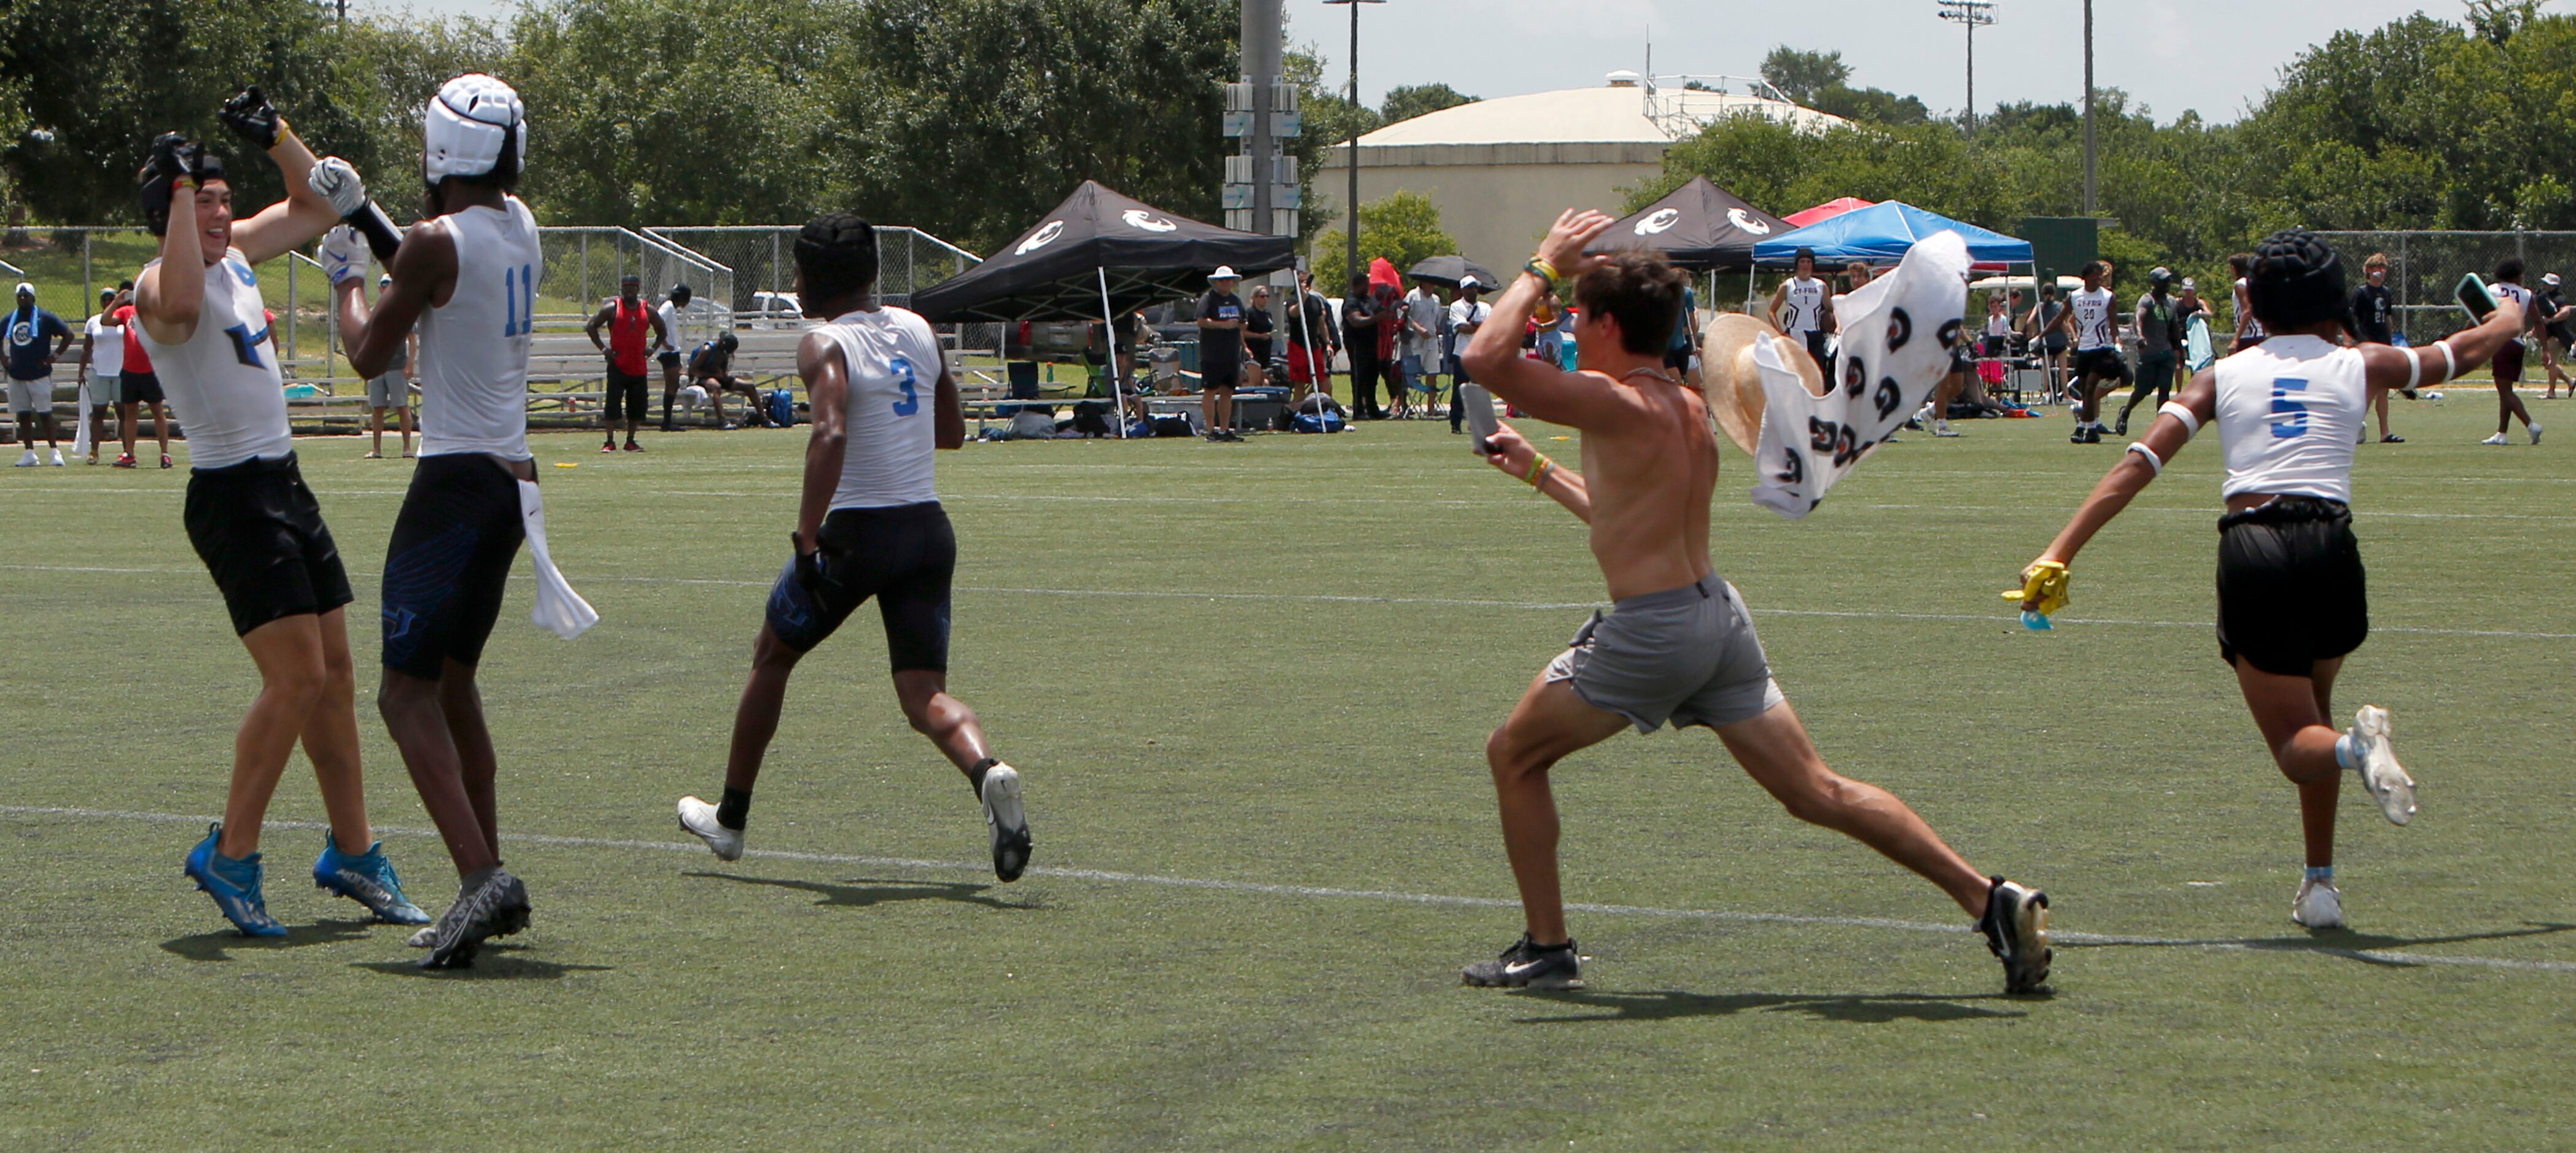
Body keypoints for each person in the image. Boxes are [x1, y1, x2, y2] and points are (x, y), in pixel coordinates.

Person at [1452, 208, 2053, 995]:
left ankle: (1548, 946)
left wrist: (1541, 262)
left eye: (1576, 312)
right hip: (1714, 618)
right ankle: (1989, 900)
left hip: (1656, 631)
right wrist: (1537, 471)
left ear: (1603, 325)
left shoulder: (1616, 405)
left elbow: (1483, 358)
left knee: (1514, 754)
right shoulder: (1682, 407)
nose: (1567, 321)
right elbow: (1623, 519)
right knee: (1817, 791)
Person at [2023, 230, 2524, 930]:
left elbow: (2138, 461)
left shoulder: (2222, 375)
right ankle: (2319, 884)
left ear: (2253, 304)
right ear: (2335, 301)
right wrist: (2505, 315)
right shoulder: (2362, 361)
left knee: (2301, 746)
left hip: (2254, 548)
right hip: (2330, 546)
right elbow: (2462, 353)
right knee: (2312, 710)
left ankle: (2358, 750)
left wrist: (2059, 550)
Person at [131, 92, 428, 937]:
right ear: (172, 210)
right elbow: (183, 309)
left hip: (284, 485)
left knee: (334, 680)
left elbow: (324, 200)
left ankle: (355, 852)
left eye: (227, 198)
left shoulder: (240, 254)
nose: (224, 212)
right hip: (233, 496)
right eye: (205, 199)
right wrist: (182, 197)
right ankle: (231, 854)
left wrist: (278, 140)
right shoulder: (162, 281)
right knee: (295, 678)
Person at [676, 213, 1032, 887]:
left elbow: (831, 431)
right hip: (927, 529)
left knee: (772, 656)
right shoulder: (919, 329)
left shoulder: (822, 342)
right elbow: (952, 430)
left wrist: (810, 537)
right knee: (923, 693)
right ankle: (990, 771)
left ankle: (731, 819)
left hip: (858, 534)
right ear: (872, 274)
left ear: (808, 281)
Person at [325, 72, 553, 968]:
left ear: (441, 148)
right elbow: (433, 261)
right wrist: (367, 212)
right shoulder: (518, 224)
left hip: (452, 484)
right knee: (454, 684)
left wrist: (346, 277)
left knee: (402, 692)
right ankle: (485, 870)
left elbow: (368, 351)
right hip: (511, 483)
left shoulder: (430, 242)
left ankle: (479, 879)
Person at [585, 273, 664, 452]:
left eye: (632, 287)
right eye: (626, 288)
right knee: (613, 404)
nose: (629, 291)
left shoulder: (647, 310)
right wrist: (604, 349)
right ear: (622, 289)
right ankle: (609, 441)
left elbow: (662, 329)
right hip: (618, 364)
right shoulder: (613, 308)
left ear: (638, 289)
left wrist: (653, 348)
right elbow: (591, 326)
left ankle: (631, 441)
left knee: (636, 406)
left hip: (638, 366)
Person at [2048, 262, 2126, 443]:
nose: (2100, 278)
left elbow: (2112, 324)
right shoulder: (2077, 297)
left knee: (2094, 388)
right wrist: (2074, 336)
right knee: (2088, 391)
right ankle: (2092, 427)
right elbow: (2069, 318)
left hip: (2102, 348)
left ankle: (2083, 426)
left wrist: (2116, 342)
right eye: (2097, 275)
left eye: (2103, 275)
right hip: (2085, 349)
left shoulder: (2107, 296)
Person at [8, 282, 74, 467]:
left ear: (33, 297)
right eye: (20, 296)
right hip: (17, 375)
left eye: (26, 296)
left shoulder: (44, 317)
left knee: (45, 413)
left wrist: (55, 356)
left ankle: (54, 451)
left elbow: (68, 334)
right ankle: (29, 452)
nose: (22, 299)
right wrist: (4, 360)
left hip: (39, 374)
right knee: (24, 414)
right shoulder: (11, 318)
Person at [2115, 268, 2185, 437]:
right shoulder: (2147, 300)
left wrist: (2179, 350)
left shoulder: (2171, 302)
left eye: (2169, 280)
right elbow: (2139, 318)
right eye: (2164, 281)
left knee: (2164, 389)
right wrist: (2140, 336)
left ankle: (2161, 427)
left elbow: (2174, 327)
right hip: (2149, 353)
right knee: (2143, 390)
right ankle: (2125, 412)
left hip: (2166, 353)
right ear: (2154, 283)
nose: (2168, 284)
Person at [2481, 257, 2542, 446]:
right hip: (2518, 344)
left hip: (2502, 342)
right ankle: (2502, 433)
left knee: (2505, 391)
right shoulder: (2526, 294)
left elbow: (2481, 314)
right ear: (2515, 275)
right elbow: (2538, 321)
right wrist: (2545, 350)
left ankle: (2531, 425)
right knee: (2506, 390)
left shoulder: (2492, 290)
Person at [356, 274, 418, 459]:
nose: (387, 289)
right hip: (378, 367)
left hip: (397, 365)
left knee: (401, 406)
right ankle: (377, 449)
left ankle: (407, 448)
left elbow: (412, 340)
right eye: (384, 286)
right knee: (378, 408)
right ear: (380, 289)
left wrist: (409, 364)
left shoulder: (404, 312)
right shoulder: (372, 312)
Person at [2348, 254, 2405, 443]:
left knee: (2383, 390)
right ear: (2369, 271)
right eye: (2377, 267)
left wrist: (2392, 340)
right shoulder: (2361, 293)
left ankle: (2385, 433)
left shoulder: (2386, 293)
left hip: (2383, 344)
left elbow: (2388, 317)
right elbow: (2351, 320)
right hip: (2367, 344)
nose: (2381, 271)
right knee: (2364, 389)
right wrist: (2349, 343)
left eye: (2384, 267)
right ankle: (2355, 428)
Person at [1196, 266, 1248, 440]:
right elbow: (1202, 321)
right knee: (1210, 390)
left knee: (1228, 391)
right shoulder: (1208, 299)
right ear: (1215, 282)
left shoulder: (1236, 300)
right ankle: (1211, 430)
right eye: (1221, 280)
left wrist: (1239, 326)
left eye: (1228, 280)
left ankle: (1225, 430)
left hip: (1231, 353)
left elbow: (1244, 322)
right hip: (1212, 353)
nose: (1225, 283)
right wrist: (1222, 324)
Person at [76, 287, 125, 464]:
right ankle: (94, 451)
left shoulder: (123, 319)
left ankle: (128, 452)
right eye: (104, 299)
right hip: (99, 372)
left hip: (121, 372)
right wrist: (81, 372)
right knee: (98, 413)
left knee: (123, 413)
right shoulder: (93, 321)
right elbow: (87, 348)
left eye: (111, 299)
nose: (107, 302)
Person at [1767, 246, 1831, 370]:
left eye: (1808, 262)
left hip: (1815, 334)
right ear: (1797, 264)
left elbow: (1831, 308)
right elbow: (1771, 312)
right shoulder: (1787, 285)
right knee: (1794, 371)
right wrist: (1781, 333)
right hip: (1795, 333)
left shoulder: (1821, 286)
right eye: (1802, 261)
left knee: (1817, 372)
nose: (1805, 265)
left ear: (1813, 264)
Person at [688, 330, 764, 427]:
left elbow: (723, 370)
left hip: (718, 377)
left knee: (749, 386)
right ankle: (722, 420)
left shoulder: (725, 353)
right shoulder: (707, 350)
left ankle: (763, 418)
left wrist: (724, 375)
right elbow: (694, 370)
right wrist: (714, 375)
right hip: (703, 379)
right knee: (716, 386)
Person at [1284, 268, 1337, 405]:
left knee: (1323, 380)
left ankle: (1323, 409)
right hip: (1298, 346)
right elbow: (1293, 314)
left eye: (1307, 282)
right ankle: (1297, 410)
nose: (1305, 285)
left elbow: (1322, 324)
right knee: (1300, 383)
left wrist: (1328, 343)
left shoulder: (1316, 301)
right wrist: (1303, 298)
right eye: (1302, 282)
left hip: (1314, 346)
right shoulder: (1292, 300)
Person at [1444, 279, 1489, 434]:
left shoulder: (1485, 307)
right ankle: (1455, 423)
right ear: (1462, 290)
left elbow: (1492, 326)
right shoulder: (1457, 306)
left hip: (1481, 353)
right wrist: (1480, 326)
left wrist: (1477, 325)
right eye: (1470, 288)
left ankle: (1479, 423)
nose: (1473, 291)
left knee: (1480, 389)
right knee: (1460, 389)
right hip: (1462, 353)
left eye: (1476, 287)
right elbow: (1463, 328)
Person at [1337, 271, 1383, 421]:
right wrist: (1376, 318)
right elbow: (1355, 321)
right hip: (1357, 344)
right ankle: (1359, 410)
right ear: (1358, 285)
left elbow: (1379, 309)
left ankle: (1372, 408)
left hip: (1371, 343)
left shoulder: (1368, 299)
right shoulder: (1351, 301)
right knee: (1359, 377)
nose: (1368, 288)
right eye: (1366, 285)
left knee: (1372, 376)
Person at [1404, 277, 1444, 417]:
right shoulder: (1413, 296)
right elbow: (1405, 316)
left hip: (1432, 341)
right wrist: (1418, 329)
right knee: (1414, 374)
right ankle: (1405, 406)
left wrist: (1436, 330)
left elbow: (1437, 320)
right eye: (1430, 282)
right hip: (1416, 341)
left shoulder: (1436, 299)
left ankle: (1431, 408)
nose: (1432, 285)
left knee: (1432, 373)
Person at [2024, 282, 2069, 402]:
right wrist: (2069, 338)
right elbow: (2063, 324)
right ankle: (2066, 396)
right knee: (2063, 370)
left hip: (2045, 342)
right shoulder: (2059, 306)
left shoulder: (2039, 306)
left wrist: (2033, 335)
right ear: (2054, 293)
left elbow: (2029, 321)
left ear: (2043, 294)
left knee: (2046, 370)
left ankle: (2044, 395)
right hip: (2059, 341)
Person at [655, 284, 692, 430]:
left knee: (674, 385)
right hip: (668, 352)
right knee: (671, 386)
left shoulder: (671, 308)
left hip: (673, 352)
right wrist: (663, 341)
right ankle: (667, 422)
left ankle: (668, 421)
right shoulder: (668, 306)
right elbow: (657, 320)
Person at [2534, 272, 2574, 400]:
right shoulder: (2544, 297)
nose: (2544, 285)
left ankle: (2551, 392)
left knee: (2550, 362)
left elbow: (2565, 312)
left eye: (2547, 284)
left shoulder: (2560, 298)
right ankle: (2570, 380)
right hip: (2550, 334)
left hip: (2560, 335)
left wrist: (2551, 320)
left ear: (2554, 285)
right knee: (2547, 363)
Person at [2228, 252, 2267, 353]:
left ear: (2234, 268)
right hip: (2258, 334)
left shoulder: (2240, 284)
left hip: (2249, 336)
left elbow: (2247, 311)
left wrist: (2236, 339)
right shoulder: (2253, 282)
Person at [1243, 283, 1277, 379]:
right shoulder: (1249, 313)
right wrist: (1259, 336)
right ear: (1254, 298)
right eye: (1262, 296)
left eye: (1267, 296)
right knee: (1255, 380)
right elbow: (1242, 333)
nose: (1265, 299)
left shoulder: (1268, 313)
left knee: (1264, 380)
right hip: (1254, 350)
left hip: (1266, 351)